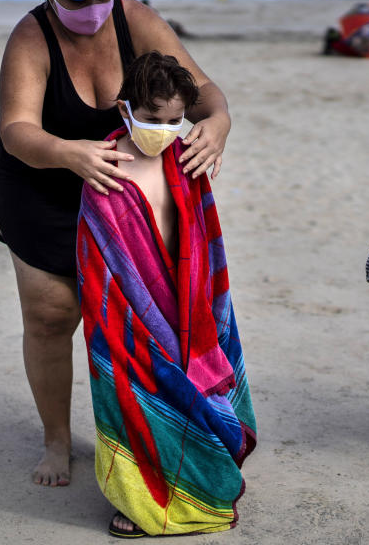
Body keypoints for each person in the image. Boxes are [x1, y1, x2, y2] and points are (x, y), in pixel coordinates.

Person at [0, 0, 232, 488]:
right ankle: (55, 440)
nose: (95, 8)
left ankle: (145, 434)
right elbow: (16, 129)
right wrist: (67, 153)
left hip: (120, 187)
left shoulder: (135, 19)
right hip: (39, 183)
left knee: (136, 318)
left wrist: (218, 124)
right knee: (51, 315)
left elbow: (205, 91)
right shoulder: (30, 37)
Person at [77, 51, 256, 538]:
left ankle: (196, 483)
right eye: (153, 119)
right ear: (124, 110)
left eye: (175, 120)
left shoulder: (186, 157)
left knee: (197, 390)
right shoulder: (105, 170)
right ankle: (140, 499)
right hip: (128, 317)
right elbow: (98, 262)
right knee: (135, 396)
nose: (164, 129)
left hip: (188, 303)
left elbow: (204, 236)